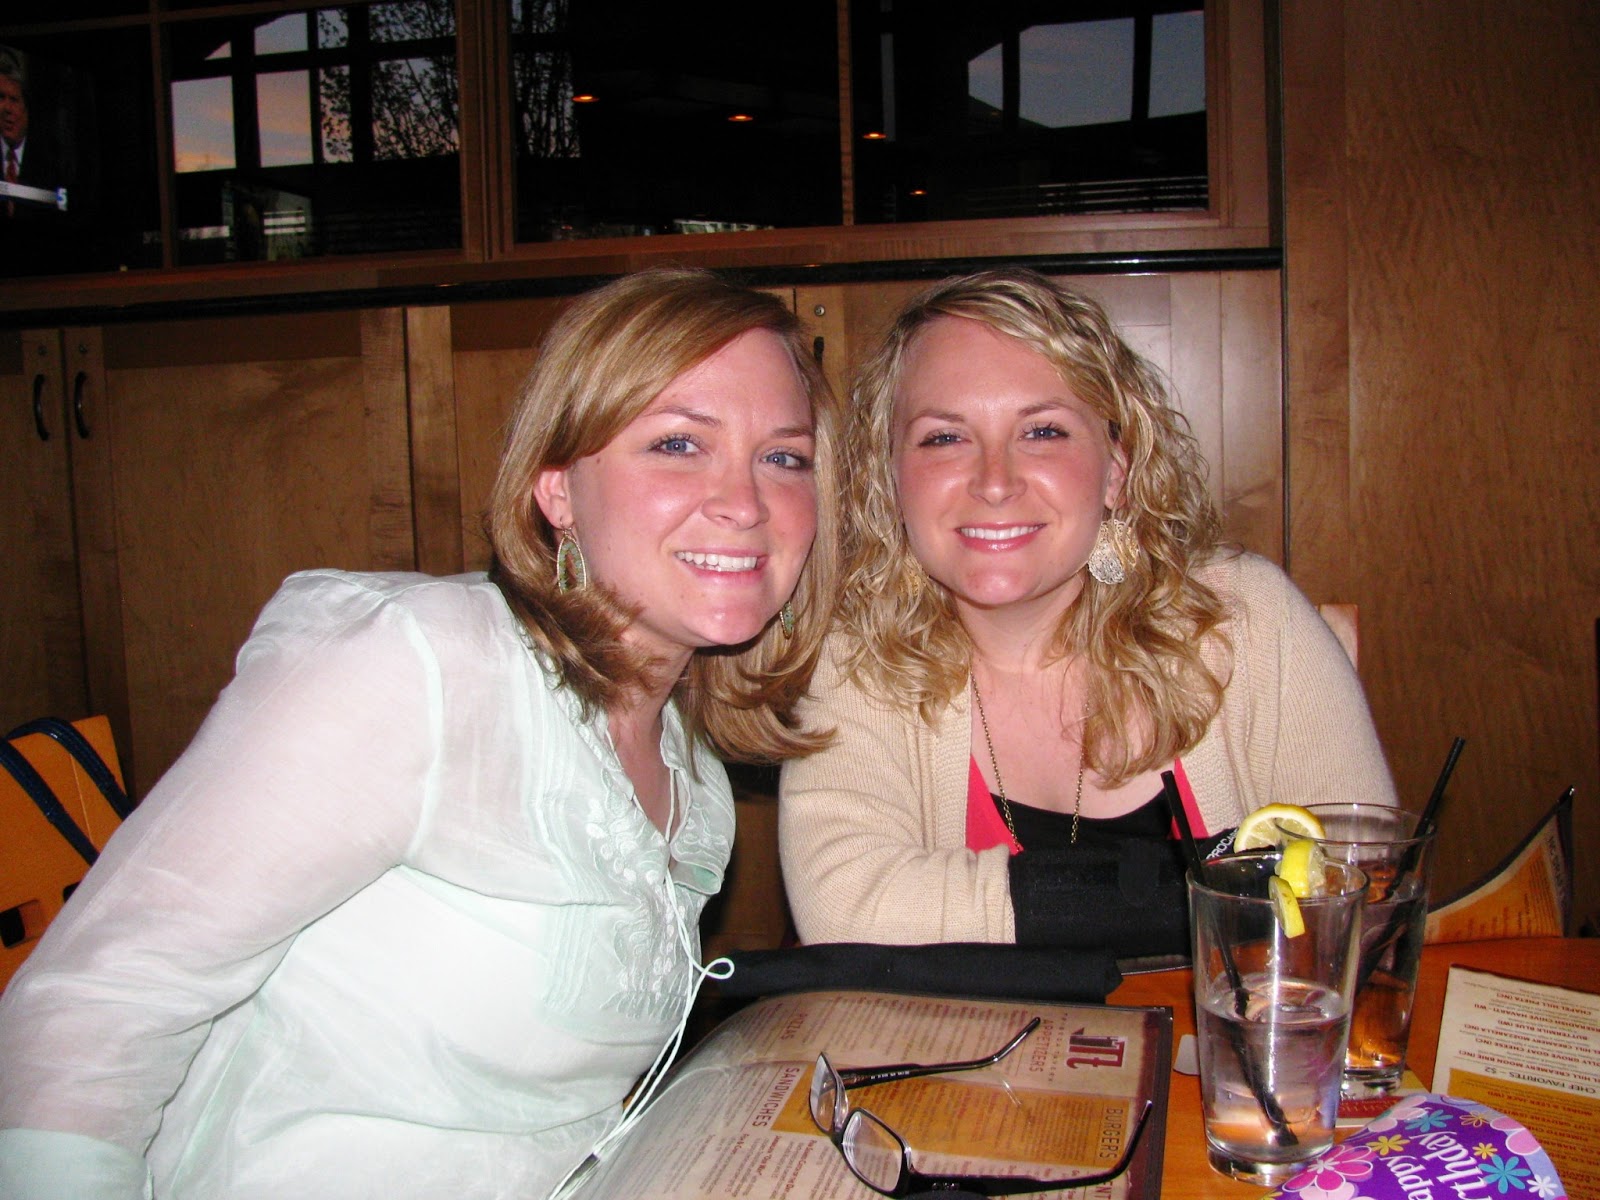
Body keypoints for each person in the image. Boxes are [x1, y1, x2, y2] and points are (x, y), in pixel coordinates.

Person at [0, 267, 841, 1200]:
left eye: (785, 458)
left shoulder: (692, 773)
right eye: (678, 443)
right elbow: (98, 1003)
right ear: (557, 488)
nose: (745, 503)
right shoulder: (419, 666)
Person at [779, 267, 1395, 957]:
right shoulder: (855, 657)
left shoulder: (1246, 619)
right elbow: (845, 905)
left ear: (1115, 472)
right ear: (890, 478)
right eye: (944, 438)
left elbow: (1364, 883)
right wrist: (1211, 890)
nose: (994, 482)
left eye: (1042, 431)